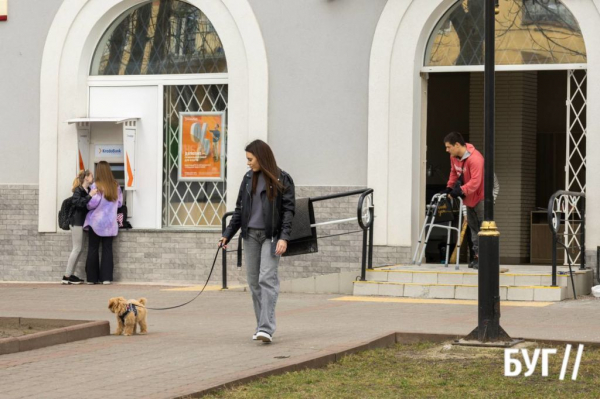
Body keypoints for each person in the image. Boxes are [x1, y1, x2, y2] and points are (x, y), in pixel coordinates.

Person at [220, 140, 295, 343]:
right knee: (254, 282)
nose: (248, 163)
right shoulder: (247, 178)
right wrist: (228, 233)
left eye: (250, 159)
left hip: (271, 237)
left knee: (267, 279)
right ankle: (261, 325)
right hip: (250, 236)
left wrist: (284, 238)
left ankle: (265, 328)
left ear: (261, 158)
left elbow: (289, 211)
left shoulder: (283, 178)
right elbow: (239, 210)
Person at [440, 132, 484, 269]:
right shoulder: (454, 157)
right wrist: (449, 187)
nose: (447, 150)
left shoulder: (475, 159)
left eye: (448, 147)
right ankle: (476, 257)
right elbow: (453, 172)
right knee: (473, 229)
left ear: (457, 145)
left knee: (483, 228)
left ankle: (485, 258)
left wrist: (460, 191)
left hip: (480, 197)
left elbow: (476, 182)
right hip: (468, 198)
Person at [84, 161, 123, 285]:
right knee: (107, 249)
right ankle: (106, 278)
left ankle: (92, 278)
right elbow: (120, 203)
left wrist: (89, 196)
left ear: (98, 171)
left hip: (96, 223)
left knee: (93, 249)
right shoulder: (115, 185)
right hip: (110, 223)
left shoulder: (96, 185)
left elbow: (91, 204)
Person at [62, 169, 97, 284]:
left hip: (82, 222)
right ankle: (67, 276)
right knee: (76, 248)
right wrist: (90, 196)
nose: (93, 178)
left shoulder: (87, 190)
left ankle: (70, 274)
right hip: (76, 222)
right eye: (91, 176)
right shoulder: (79, 190)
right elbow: (78, 203)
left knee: (79, 249)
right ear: (86, 177)